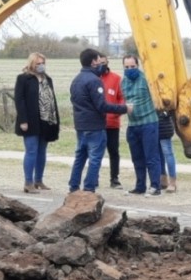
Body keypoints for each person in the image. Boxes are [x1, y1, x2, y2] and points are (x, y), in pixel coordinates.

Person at [68, 48, 131, 193]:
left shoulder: (76, 80)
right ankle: (89, 189)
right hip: (95, 126)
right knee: (95, 159)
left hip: (80, 125)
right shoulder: (94, 81)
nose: (99, 63)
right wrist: (124, 109)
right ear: (93, 62)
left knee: (80, 157)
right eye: (97, 60)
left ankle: (73, 187)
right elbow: (102, 105)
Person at [13, 52, 60, 194]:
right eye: (38, 63)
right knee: (31, 151)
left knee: (42, 151)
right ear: (32, 64)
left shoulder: (47, 79)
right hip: (30, 120)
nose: (40, 66)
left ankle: (38, 180)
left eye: (42, 63)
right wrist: (23, 120)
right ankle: (28, 182)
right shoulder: (23, 79)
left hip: (46, 121)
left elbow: (52, 100)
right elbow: (19, 100)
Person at [121, 54, 162, 196]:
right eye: (126, 67)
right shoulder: (123, 82)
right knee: (137, 157)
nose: (129, 69)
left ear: (137, 66)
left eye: (132, 66)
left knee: (151, 156)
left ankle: (155, 186)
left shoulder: (146, 80)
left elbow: (157, 98)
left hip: (148, 122)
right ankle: (140, 186)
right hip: (132, 124)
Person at [98, 54, 125, 189]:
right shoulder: (93, 79)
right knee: (96, 152)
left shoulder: (116, 79)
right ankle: (93, 178)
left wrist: (117, 111)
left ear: (107, 62)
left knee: (113, 151)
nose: (102, 65)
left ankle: (114, 178)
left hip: (112, 123)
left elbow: (121, 98)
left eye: (104, 62)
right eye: (99, 63)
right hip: (96, 123)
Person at [157, 109, 177, 193]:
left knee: (168, 154)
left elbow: (171, 107)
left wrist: (165, 114)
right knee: (159, 154)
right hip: (154, 126)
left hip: (164, 126)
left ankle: (172, 182)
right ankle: (163, 179)